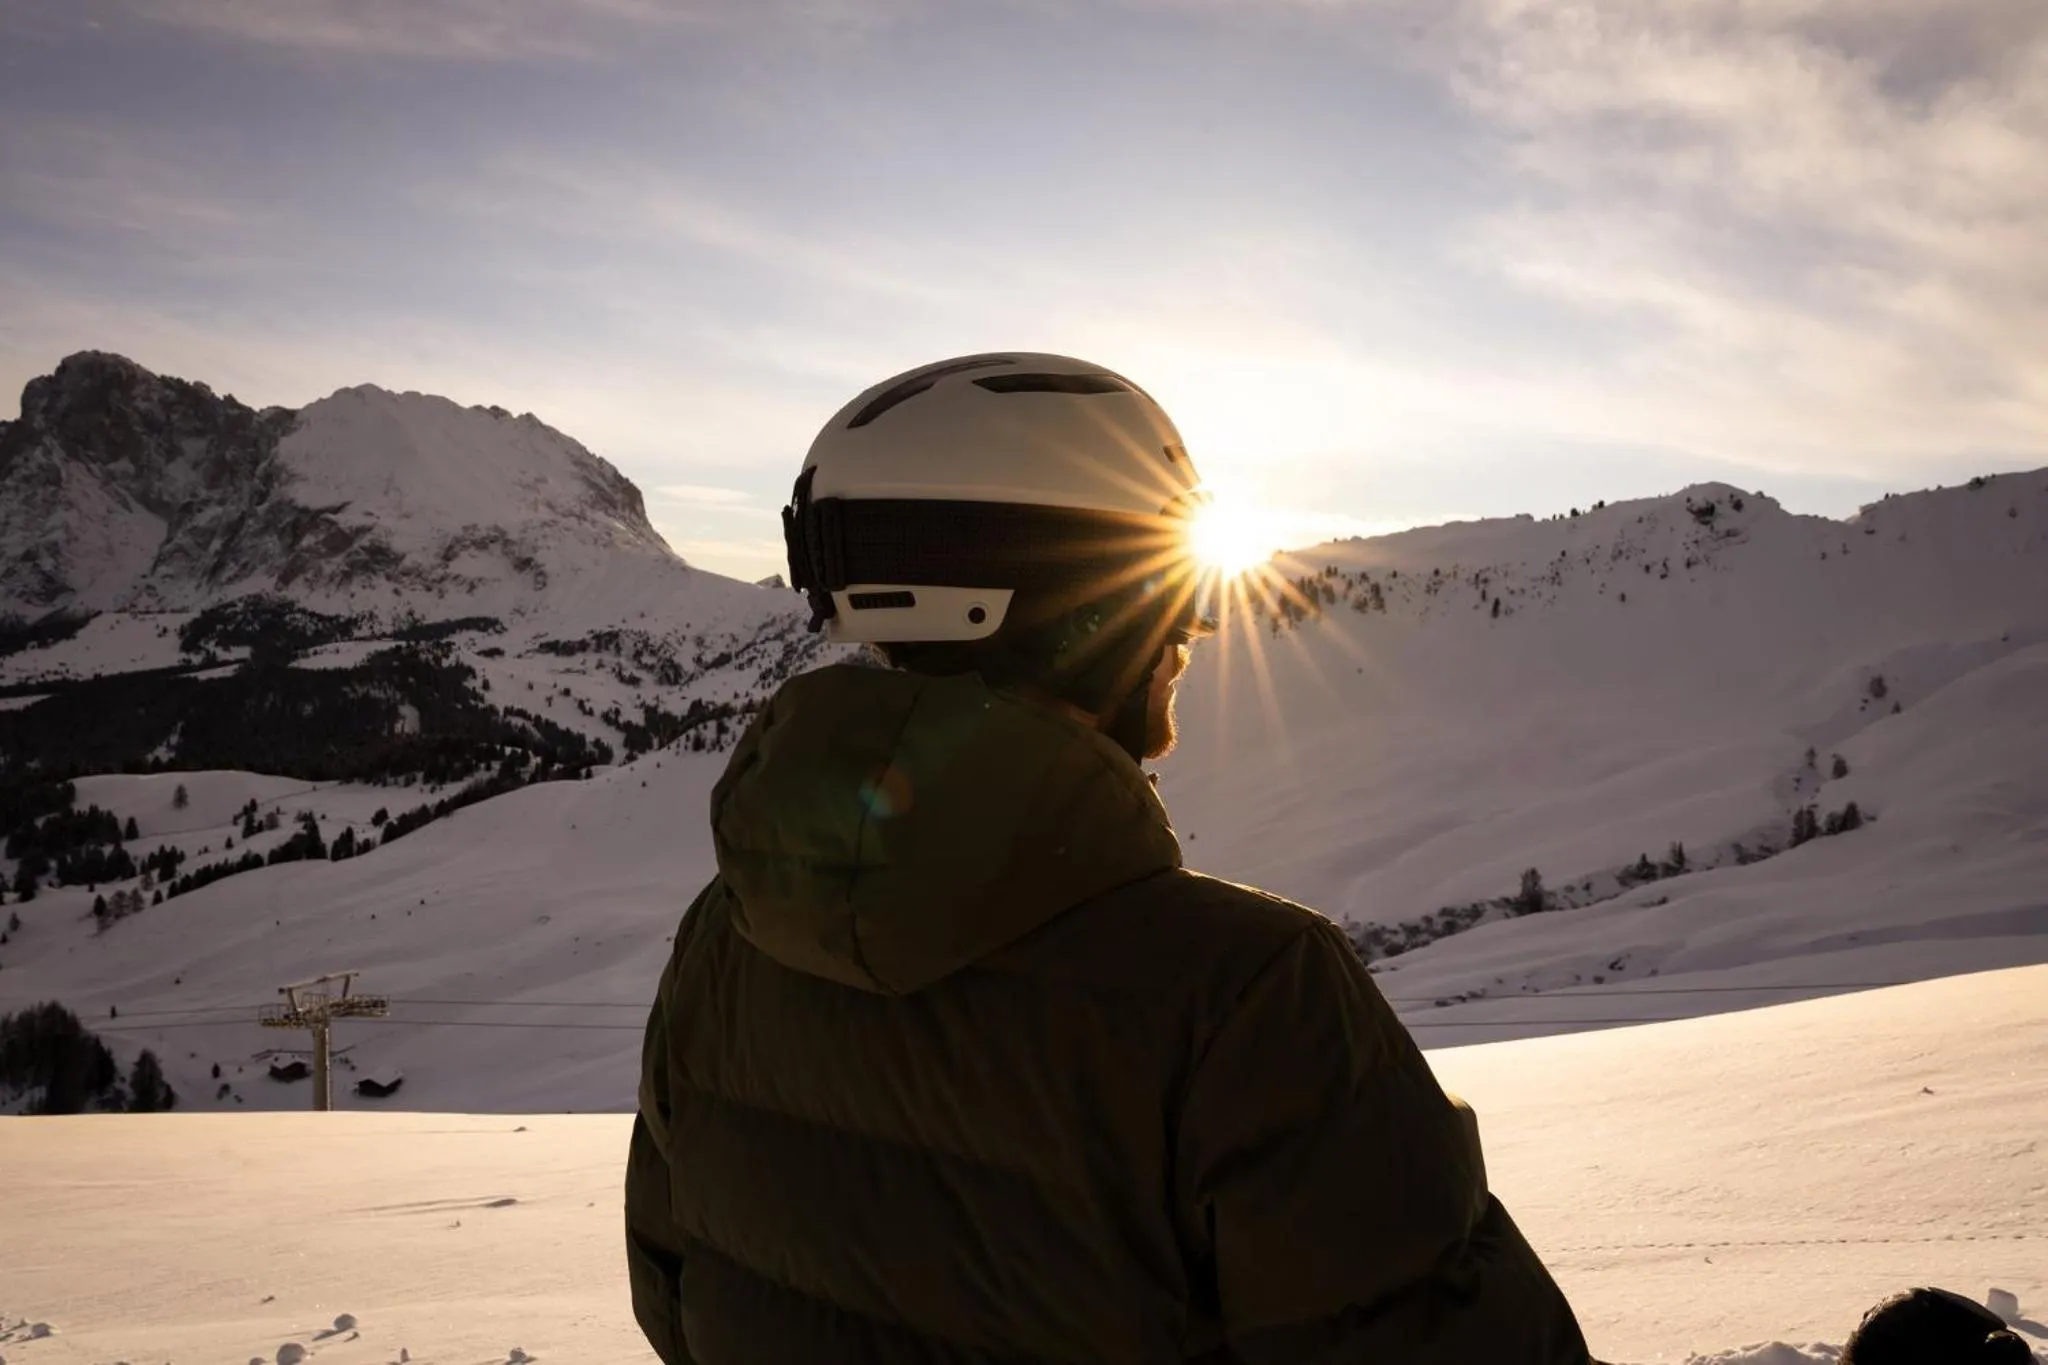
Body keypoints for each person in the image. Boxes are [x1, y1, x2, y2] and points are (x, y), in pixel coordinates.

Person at [625, 352, 1593, 1363]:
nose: (1192, 628)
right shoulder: (1252, 993)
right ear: (1087, 611)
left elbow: (676, 1295)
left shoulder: (726, 932)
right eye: (1166, 584)